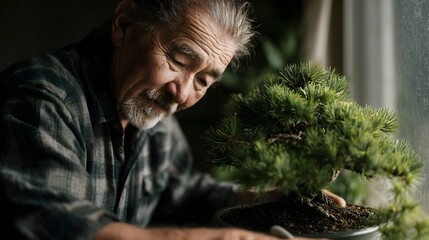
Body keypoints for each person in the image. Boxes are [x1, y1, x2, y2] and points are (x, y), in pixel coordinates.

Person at [0, 0, 345, 239]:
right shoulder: (44, 97)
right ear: (124, 24)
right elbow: (54, 224)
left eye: (203, 81)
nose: (181, 94)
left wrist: (268, 198)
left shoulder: (155, 119)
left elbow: (184, 194)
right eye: (179, 60)